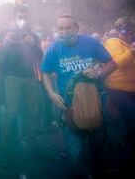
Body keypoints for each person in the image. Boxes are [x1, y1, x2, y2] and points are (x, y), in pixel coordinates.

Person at [41, 15, 116, 177]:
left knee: (99, 145)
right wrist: (51, 93)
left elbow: (112, 63)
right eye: (61, 28)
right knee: (77, 150)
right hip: (69, 106)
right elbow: (45, 73)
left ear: (76, 28)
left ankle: (99, 171)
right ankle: (81, 173)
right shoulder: (53, 49)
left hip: (96, 103)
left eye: (68, 27)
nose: (65, 32)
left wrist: (99, 72)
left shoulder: (91, 42)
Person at [0, 4, 43, 168]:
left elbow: (39, 55)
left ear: (28, 17)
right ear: (14, 17)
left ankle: (32, 144)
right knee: (11, 113)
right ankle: (3, 149)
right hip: (11, 77)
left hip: (30, 77)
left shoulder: (33, 35)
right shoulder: (4, 33)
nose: (21, 19)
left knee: (33, 111)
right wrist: (7, 42)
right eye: (19, 16)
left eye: (24, 16)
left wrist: (33, 45)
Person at [103, 17, 135, 171]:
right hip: (120, 89)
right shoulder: (113, 42)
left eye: (132, 31)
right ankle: (127, 163)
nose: (129, 33)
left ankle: (134, 160)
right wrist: (133, 51)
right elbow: (118, 63)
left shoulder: (129, 44)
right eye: (125, 30)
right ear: (118, 30)